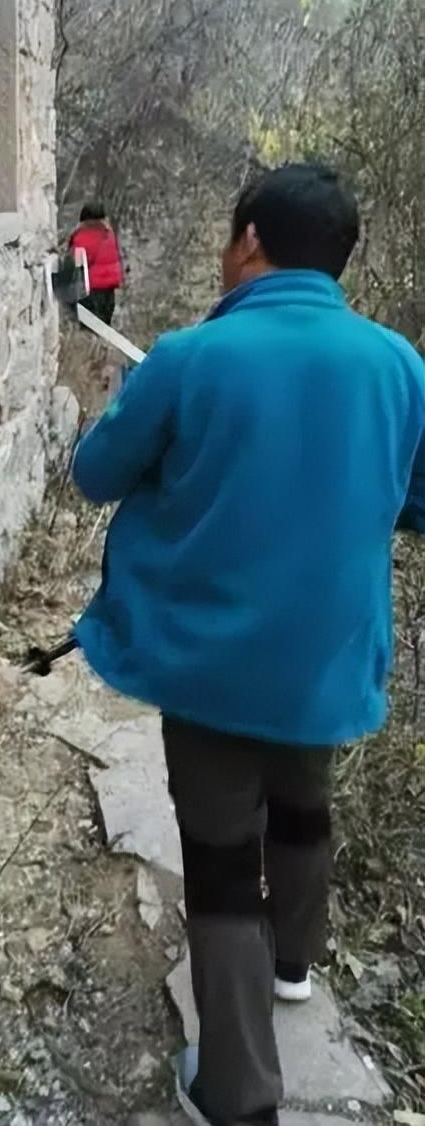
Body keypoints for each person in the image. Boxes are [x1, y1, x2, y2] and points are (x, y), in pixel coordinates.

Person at [70, 163, 425, 1126]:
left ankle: (237, 1093)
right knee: (303, 807)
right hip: (328, 657)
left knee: (223, 859)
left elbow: (96, 473)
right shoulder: (399, 366)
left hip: (211, 661)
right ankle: (294, 965)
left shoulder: (190, 357)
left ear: (252, 240)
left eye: (232, 239)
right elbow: (415, 499)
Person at [69, 202, 124, 326]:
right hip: (109, 290)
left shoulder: (83, 236)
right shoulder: (109, 233)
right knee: (105, 327)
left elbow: (77, 262)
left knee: (90, 329)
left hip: (91, 291)